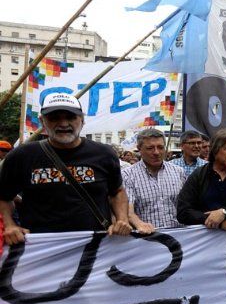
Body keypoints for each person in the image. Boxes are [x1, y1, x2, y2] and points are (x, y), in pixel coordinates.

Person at [0, 93, 132, 244]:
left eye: (70, 117)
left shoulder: (104, 154)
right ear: (42, 121)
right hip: (40, 247)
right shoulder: (21, 156)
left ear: (82, 120)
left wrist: (122, 219)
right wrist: (9, 225)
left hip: (96, 246)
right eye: (54, 118)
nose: (63, 124)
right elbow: (4, 197)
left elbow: (117, 191)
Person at [121, 128, 186, 233]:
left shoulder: (178, 172)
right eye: (150, 148)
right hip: (147, 237)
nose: (156, 152)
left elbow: (186, 205)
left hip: (178, 236)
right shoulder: (127, 175)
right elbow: (128, 211)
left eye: (160, 147)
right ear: (139, 149)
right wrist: (139, 224)